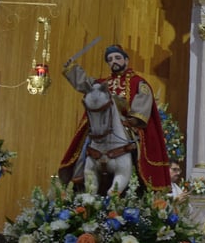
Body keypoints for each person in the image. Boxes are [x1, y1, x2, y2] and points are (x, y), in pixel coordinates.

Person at [59, 44, 170, 192]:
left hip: (127, 124)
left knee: (137, 146)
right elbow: (85, 84)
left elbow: (142, 103)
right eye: (110, 59)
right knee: (85, 142)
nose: (114, 61)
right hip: (102, 124)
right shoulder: (101, 83)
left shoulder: (138, 82)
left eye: (117, 58)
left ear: (126, 60)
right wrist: (72, 70)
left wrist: (132, 119)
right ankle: (78, 176)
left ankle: (140, 179)